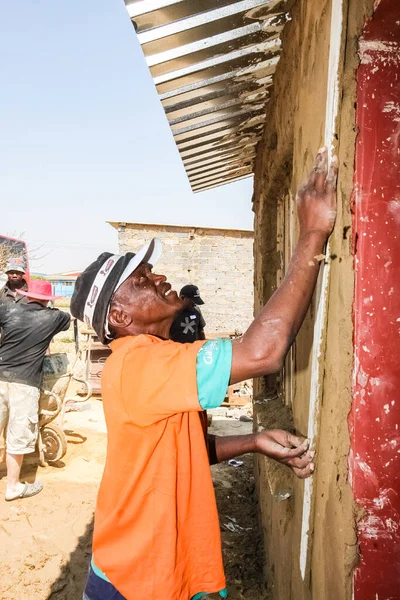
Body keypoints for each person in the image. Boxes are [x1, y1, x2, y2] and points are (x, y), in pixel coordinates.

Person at [71, 148, 337, 600]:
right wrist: (311, 234)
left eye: (151, 271)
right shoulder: (139, 363)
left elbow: (183, 451)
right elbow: (263, 352)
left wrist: (254, 442)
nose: (158, 280)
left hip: (149, 573)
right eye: (141, 282)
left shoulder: (153, 357)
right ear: (119, 315)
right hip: (139, 583)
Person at [0, 280, 71, 501]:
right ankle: (13, 487)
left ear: (27, 296)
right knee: (18, 436)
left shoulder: (8, 309)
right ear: (48, 300)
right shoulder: (54, 317)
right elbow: (68, 319)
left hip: (0, 376)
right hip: (26, 384)